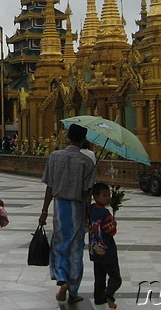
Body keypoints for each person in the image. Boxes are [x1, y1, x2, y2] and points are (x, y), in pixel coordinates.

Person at [38, 123, 95, 304]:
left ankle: (61, 277)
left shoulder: (55, 157)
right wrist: (88, 215)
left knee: (60, 242)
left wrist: (44, 211)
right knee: (76, 247)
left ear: (68, 137)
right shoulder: (87, 162)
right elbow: (87, 193)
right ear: (83, 140)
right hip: (77, 207)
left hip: (59, 206)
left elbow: (49, 187)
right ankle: (72, 288)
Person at [89, 182, 121, 309]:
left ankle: (98, 298)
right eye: (104, 196)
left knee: (99, 277)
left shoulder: (91, 209)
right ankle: (109, 294)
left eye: (108, 195)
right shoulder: (105, 213)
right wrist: (113, 224)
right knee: (115, 277)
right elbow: (111, 232)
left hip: (95, 251)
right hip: (108, 252)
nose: (107, 198)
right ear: (96, 197)